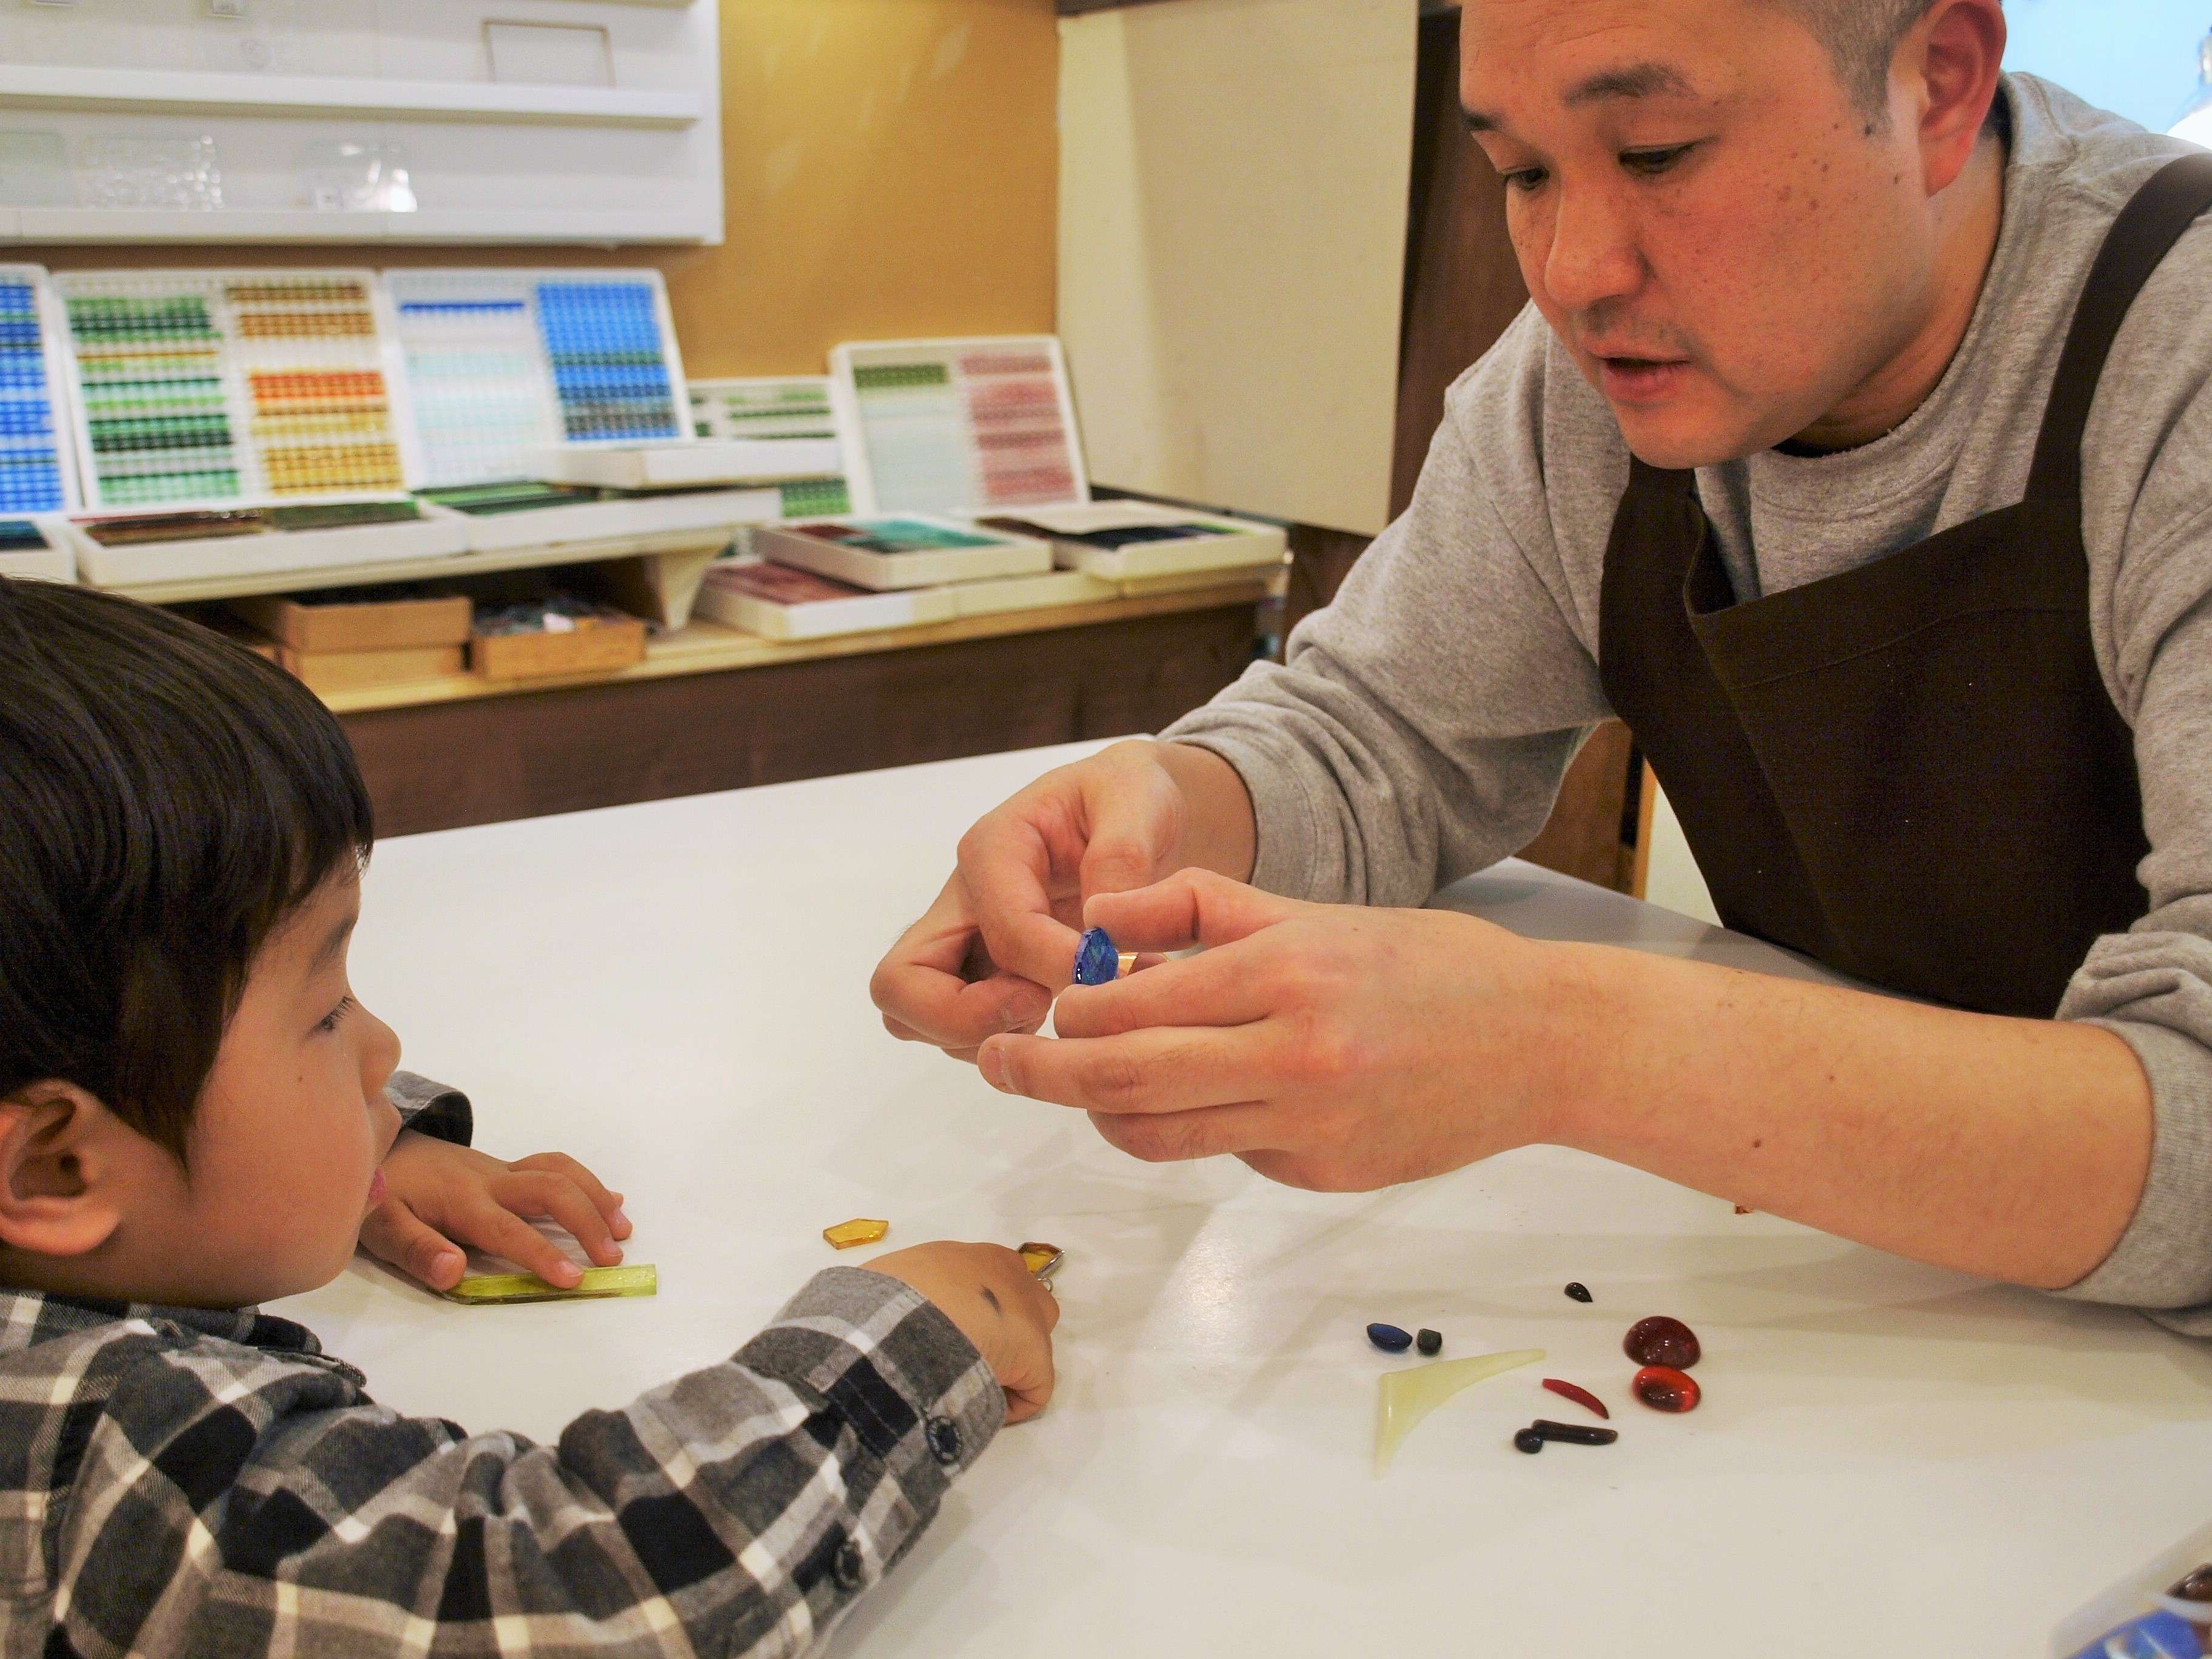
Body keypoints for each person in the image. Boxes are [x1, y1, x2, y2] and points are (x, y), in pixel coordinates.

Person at [873, 0, 2212, 1330]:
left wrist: (1561, 1047)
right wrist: (1172, 808)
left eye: (1657, 152)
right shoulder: (1587, 386)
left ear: (1940, 82)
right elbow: (1379, 732)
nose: (1573, 274)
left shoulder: (2180, 347)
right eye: (1521, 172)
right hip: (1908, 1317)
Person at [0, 577, 1057, 1654]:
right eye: (323, 1017)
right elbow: (595, 1598)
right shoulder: (96, 1471)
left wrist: (379, 1143)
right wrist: (909, 1344)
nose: (384, 1050)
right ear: (53, 1170)